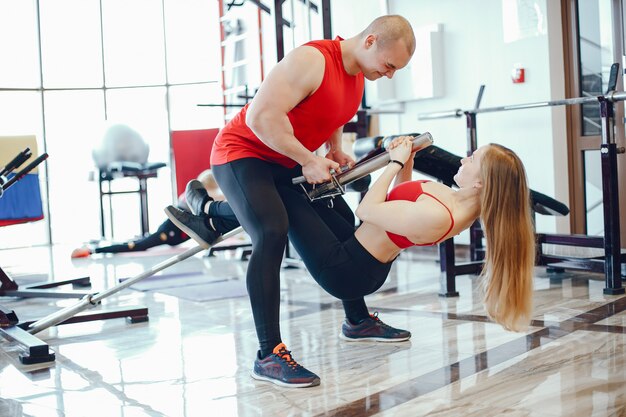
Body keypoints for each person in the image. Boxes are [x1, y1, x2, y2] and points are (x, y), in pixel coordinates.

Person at [166, 15, 417, 388]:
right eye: (390, 64)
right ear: (370, 42)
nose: (390, 74)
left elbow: (333, 112)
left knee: (341, 221)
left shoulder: (358, 75)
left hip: (284, 158)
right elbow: (260, 116)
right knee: (271, 229)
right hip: (242, 153)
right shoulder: (312, 60)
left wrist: (334, 147)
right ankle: (268, 355)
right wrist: (308, 159)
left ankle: (357, 320)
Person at [165, 136, 536, 386]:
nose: (464, 158)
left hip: (346, 269)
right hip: (358, 250)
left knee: (283, 191)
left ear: (482, 183)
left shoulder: (442, 217)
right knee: (311, 190)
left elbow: (369, 208)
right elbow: (396, 201)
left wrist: (392, 162)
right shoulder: (454, 199)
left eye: (473, 159)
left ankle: (207, 210)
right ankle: (358, 322)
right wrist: (404, 164)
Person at [71, 170, 237, 258]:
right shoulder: (190, 197)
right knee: (139, 245)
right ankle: (95, 250)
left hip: (182, 233)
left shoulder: (208, 194)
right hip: (173, 228)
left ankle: (97, 247)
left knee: (141, 241)